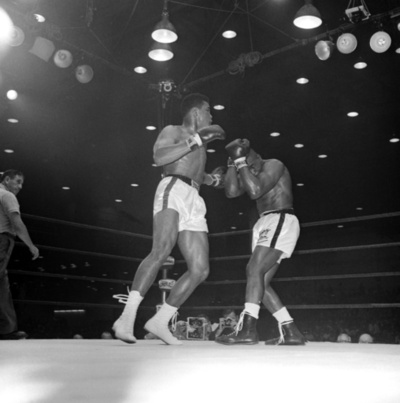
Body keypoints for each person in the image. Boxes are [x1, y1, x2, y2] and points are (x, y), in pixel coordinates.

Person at [112, 93, 226, 345]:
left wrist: (213, 179)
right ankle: (126, 318)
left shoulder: (199, 143)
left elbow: (193, 171)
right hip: (172, 188)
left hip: (194, 197)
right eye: (208, 110)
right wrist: (196, 140)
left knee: (200, 269)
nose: (211, 115)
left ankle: (161, 320)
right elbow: (160, 157)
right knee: (161, 250)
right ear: (196, 113)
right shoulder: (173, 130)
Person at [216, 139, 306, 346]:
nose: (250, 169)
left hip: (280, 218)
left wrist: (241, 162)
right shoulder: (246, 169)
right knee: (260, 283)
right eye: (244, 165)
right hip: (264, 223)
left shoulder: (274, 164)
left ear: (256, 156)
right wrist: (233, 164)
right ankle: (290, 330)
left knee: (253, 269)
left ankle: (247, 329)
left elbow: (256, 191)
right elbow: (231, 192)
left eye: (249, 163)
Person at [0, 170, 40, 340]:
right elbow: (17, 223)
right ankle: (7, 329)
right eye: (17, 181)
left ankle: (7, 329)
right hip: (2, 239)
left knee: (2, 285)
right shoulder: (7, 196)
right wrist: (31, 246)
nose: (20, 186)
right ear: (7, 179)